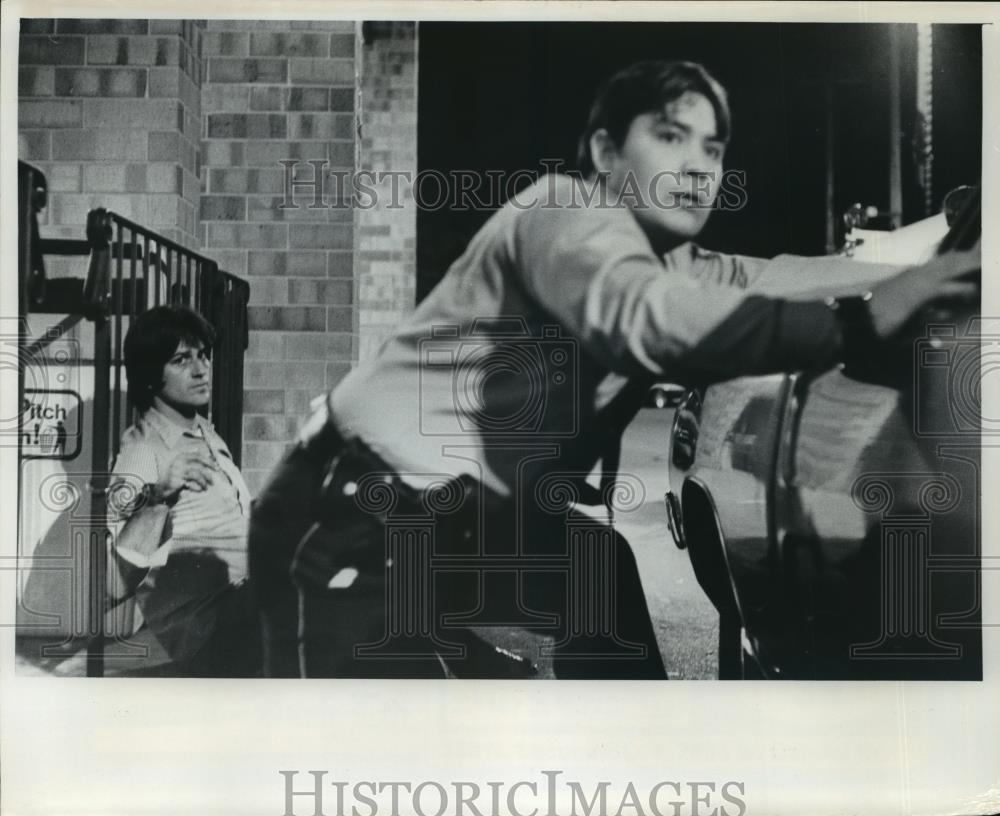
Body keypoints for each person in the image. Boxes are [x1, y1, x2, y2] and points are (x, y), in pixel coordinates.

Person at [248, 60, 980, 679]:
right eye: (670, 137)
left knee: (598, 574)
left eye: (714, 149)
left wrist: (941, 256)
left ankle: (632, 761)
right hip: (352, 516)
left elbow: (780, 275)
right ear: (605, 151)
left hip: (464, 517)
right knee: (373, 755)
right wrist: (864, 319)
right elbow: (654, 321)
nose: (699, 166)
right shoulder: (564, 213)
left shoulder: (672, 258)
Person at [108, 305, 261, 677]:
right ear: (149, 374)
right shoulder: (144, 451)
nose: (200, 369)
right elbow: (109, 585)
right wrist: (157, 498)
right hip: (205, 636)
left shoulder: (204, 432)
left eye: (203, 355)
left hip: (241, 612)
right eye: (181, 359)